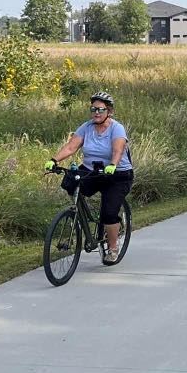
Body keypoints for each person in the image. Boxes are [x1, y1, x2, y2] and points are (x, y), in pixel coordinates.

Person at [45, 91, 133, 264]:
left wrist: (113, 165)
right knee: (70, 181)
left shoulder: (117, 128)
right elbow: (71, 147)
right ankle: (78, 219)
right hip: (92, 170)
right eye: (93, 109)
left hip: (117, 174)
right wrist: (53, 160)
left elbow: (118, 150)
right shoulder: (86, 127)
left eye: (100, 110)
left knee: (109, 213)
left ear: (109, 111)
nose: (96, 113)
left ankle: (113, 247)